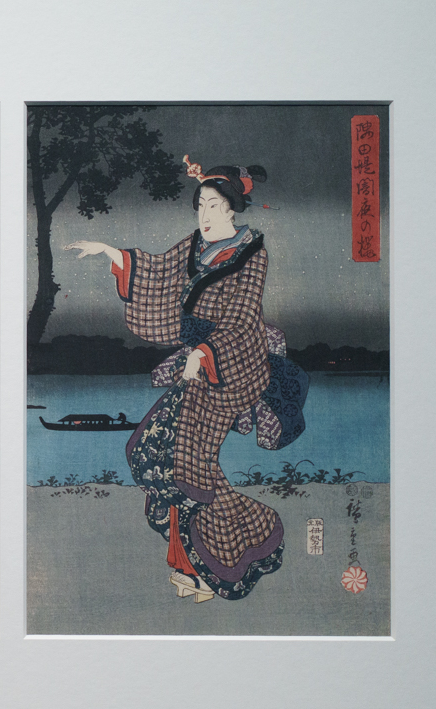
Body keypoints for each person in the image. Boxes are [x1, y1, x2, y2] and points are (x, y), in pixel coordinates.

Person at [67, 158, 306, 602]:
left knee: (184, 465)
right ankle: (191, 564)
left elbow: (241, 319)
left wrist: (204, 353)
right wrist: (112, 253)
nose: (205, 214)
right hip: (198, 364)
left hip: (233, 367)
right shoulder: (196, 245)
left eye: (213, 205)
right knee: (158, 454)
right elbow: (159, 270)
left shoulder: (251, 253)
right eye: (200, 205)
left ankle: (227, 560)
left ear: (232, 208)